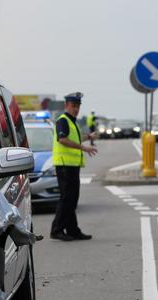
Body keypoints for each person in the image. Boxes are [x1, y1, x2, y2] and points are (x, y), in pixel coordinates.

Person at [50, 92, 98, 241]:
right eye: (73, 106)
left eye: (78, 106)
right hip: (64, 165)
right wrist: (84, 148)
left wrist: (89, 137)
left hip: (71, 166)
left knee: (71, 199)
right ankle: (56, 230)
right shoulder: (63, 121)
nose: (76, 109)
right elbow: (63, 139)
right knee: (67, 198)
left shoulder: (72, 122)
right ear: (67, 106)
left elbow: (75, 138)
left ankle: (72, 230)